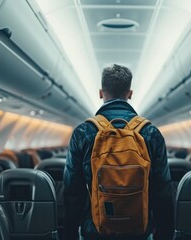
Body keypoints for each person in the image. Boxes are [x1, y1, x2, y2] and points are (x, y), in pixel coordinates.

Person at [63, 64, 174, 240]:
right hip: (139, 230)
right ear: (130, 93)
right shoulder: (150, 132)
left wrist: (69, 233)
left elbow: (72, 191)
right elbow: (163, 190)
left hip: (95, 229)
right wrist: (164, 233)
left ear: (101, 93)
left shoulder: (83, 132)